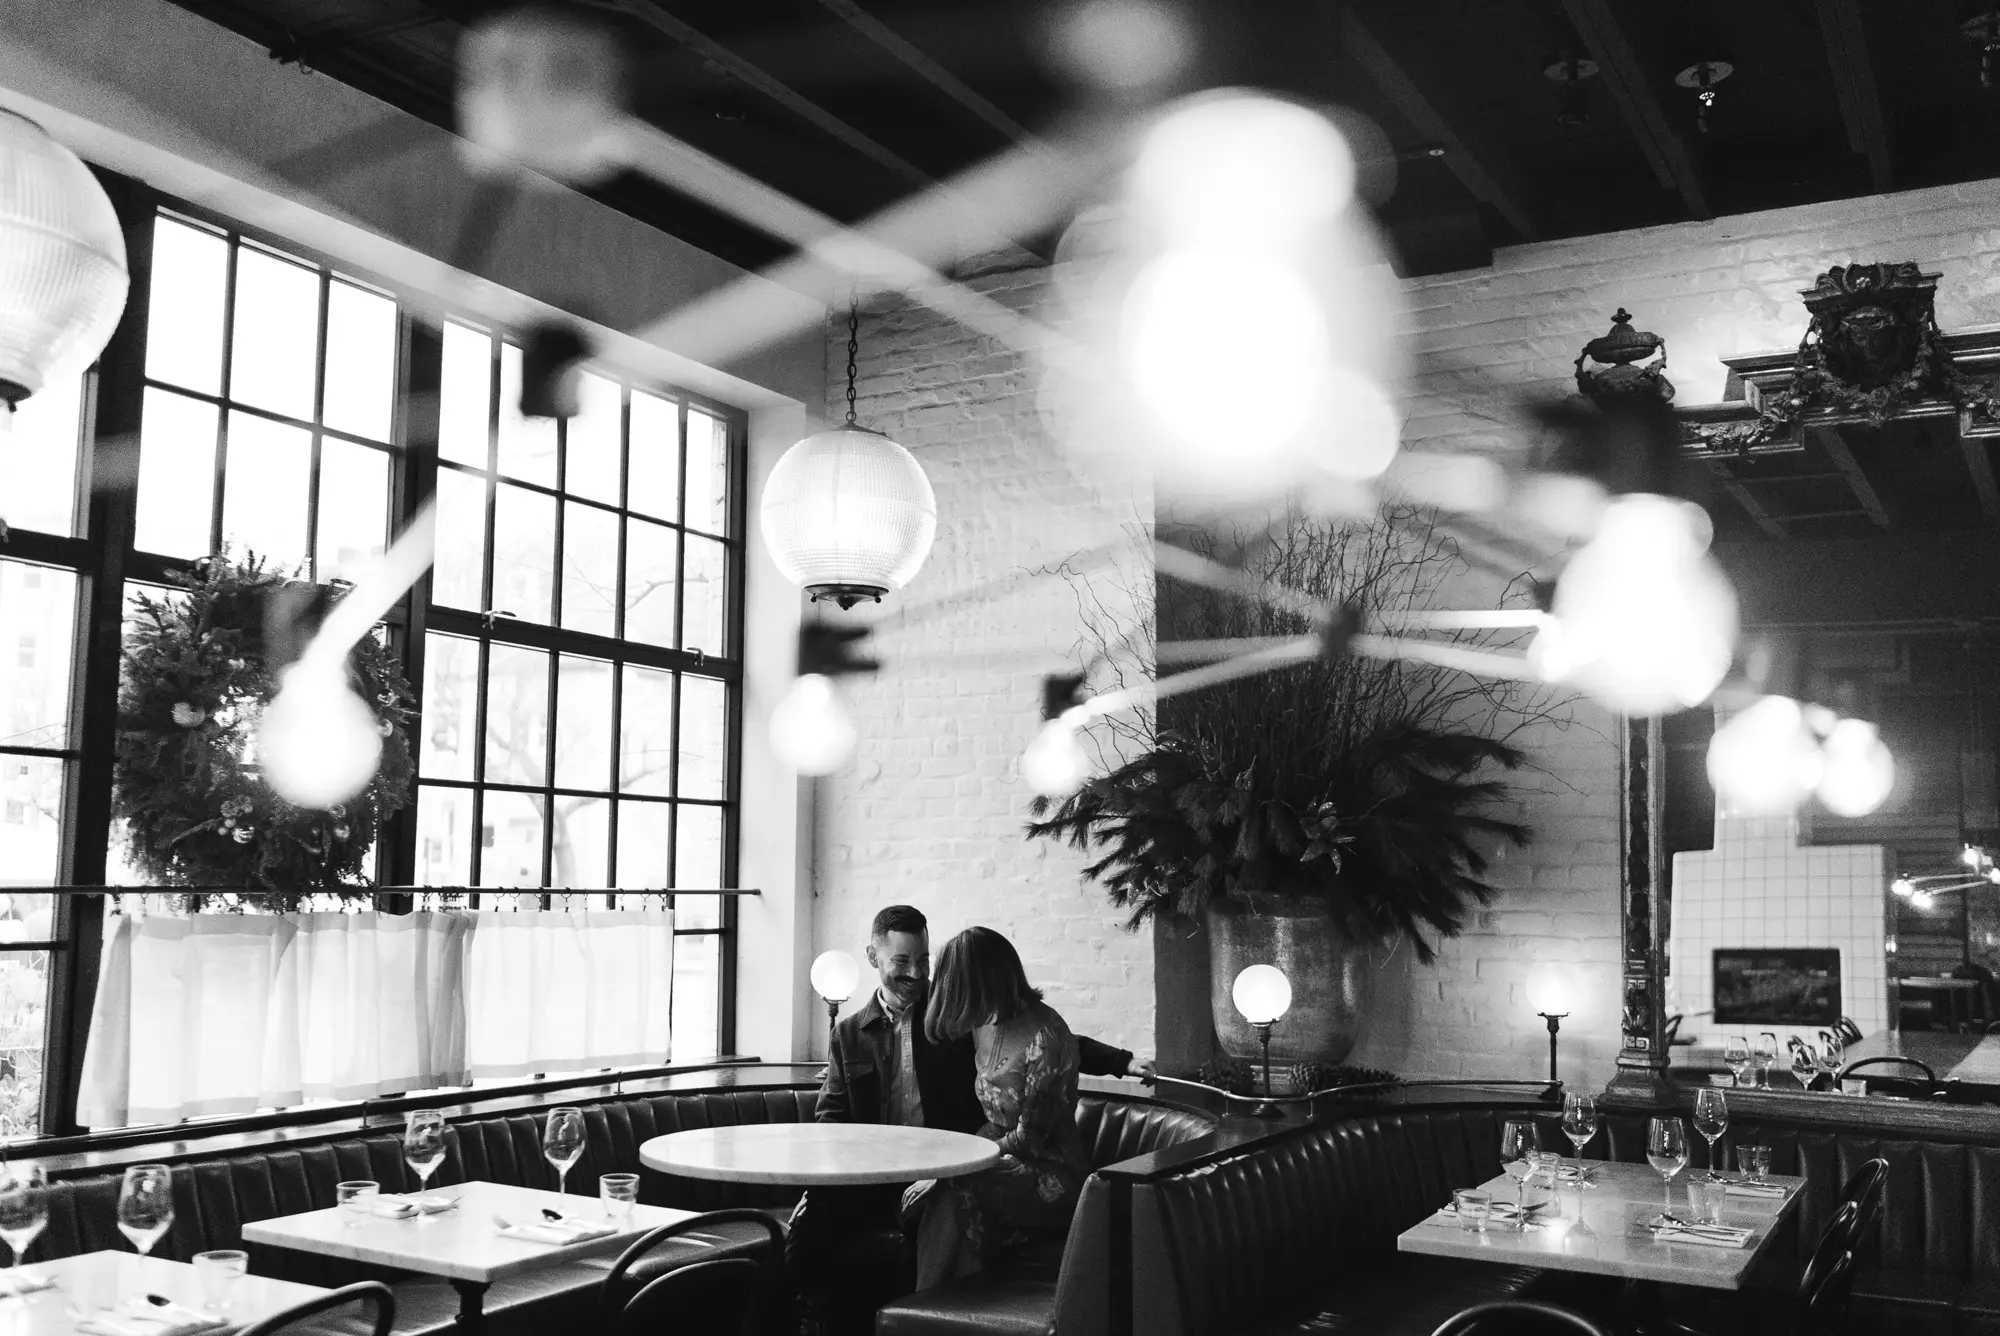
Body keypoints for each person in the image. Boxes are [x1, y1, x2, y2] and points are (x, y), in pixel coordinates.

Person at [788, 906, 1143, 1317]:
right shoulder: (851, 1034)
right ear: (873, 957)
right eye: (902, 961)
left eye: (923, 960)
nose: (916, 973)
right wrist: (822, 1182)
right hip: (880, 1172)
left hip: (955, 1161)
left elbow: (1049, 1041)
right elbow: (831, 1117)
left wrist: (1122, 1061)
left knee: (945, 1203)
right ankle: (804, 1318)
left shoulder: (957, 1014)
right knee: (812, 1219)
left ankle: (921, 1315)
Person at [905, 926, 1089, 1288]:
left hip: (1050, 1172)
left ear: (984, 982)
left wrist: (952, 1171)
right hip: (999, 1160)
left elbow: (1028, 1141)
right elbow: (994, 1125)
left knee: (953, 1193)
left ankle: (923, 1303)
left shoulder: (1046, 1037)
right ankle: (949, 1306)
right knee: (931, 1199)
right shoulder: (985, 1022)